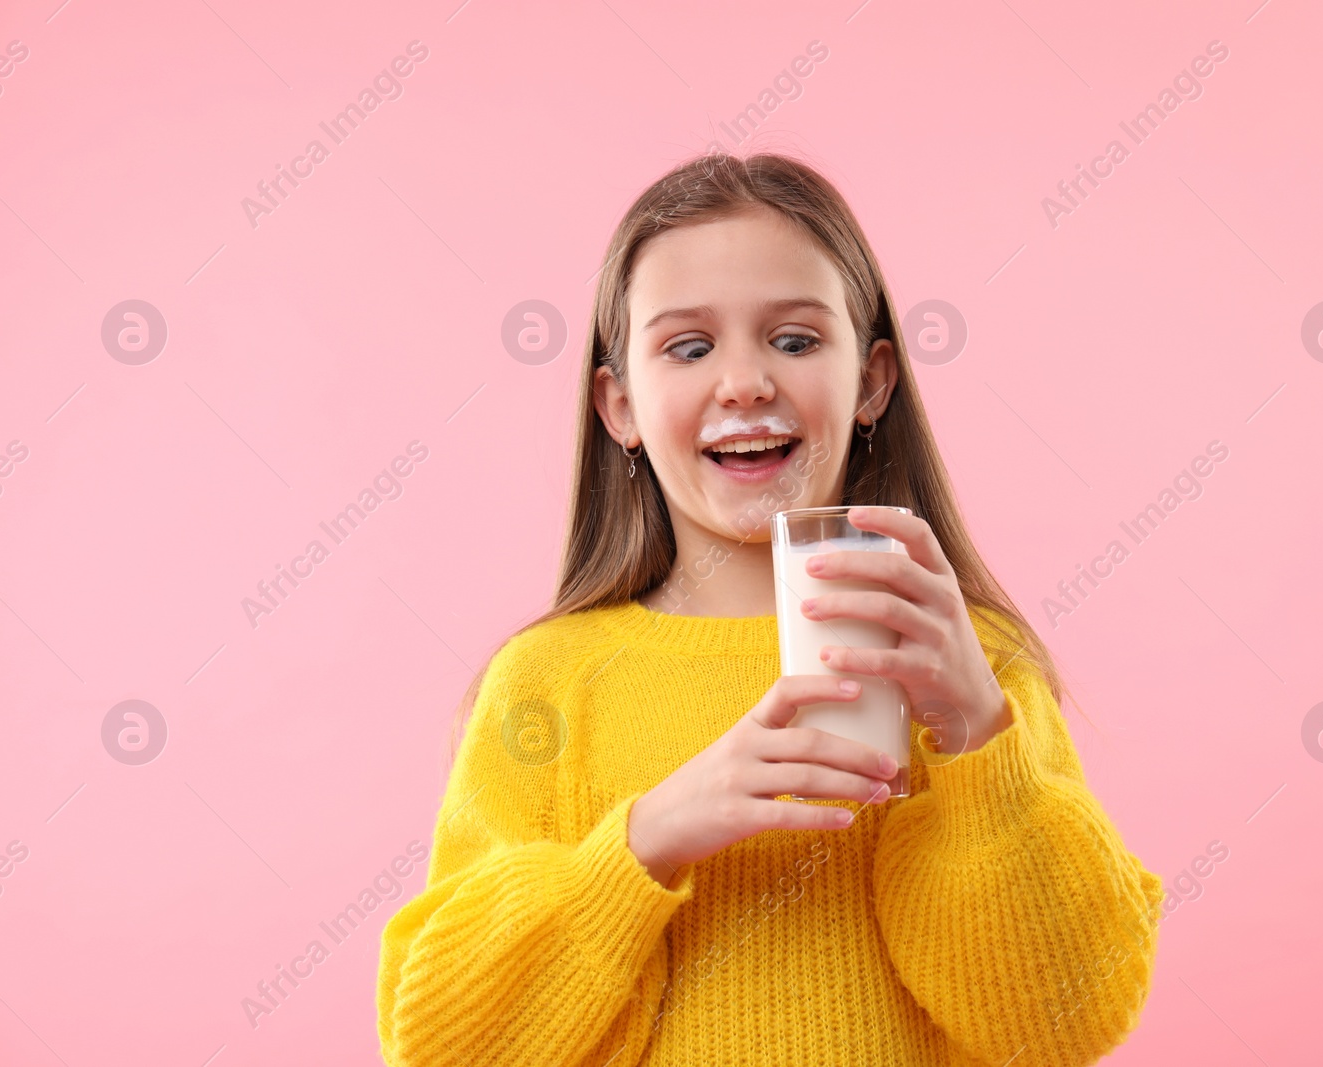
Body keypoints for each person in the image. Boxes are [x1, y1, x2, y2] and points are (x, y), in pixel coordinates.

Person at [375, 151, 1165, 1066]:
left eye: (794, 340)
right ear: (619, 405)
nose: (745, 381)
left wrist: (977, 730)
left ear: (871, 383)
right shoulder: (548, 681)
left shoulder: (968, 661)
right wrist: (646, 839)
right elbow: (442, 1048)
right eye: (689, 346)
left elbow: (1061, 1023)